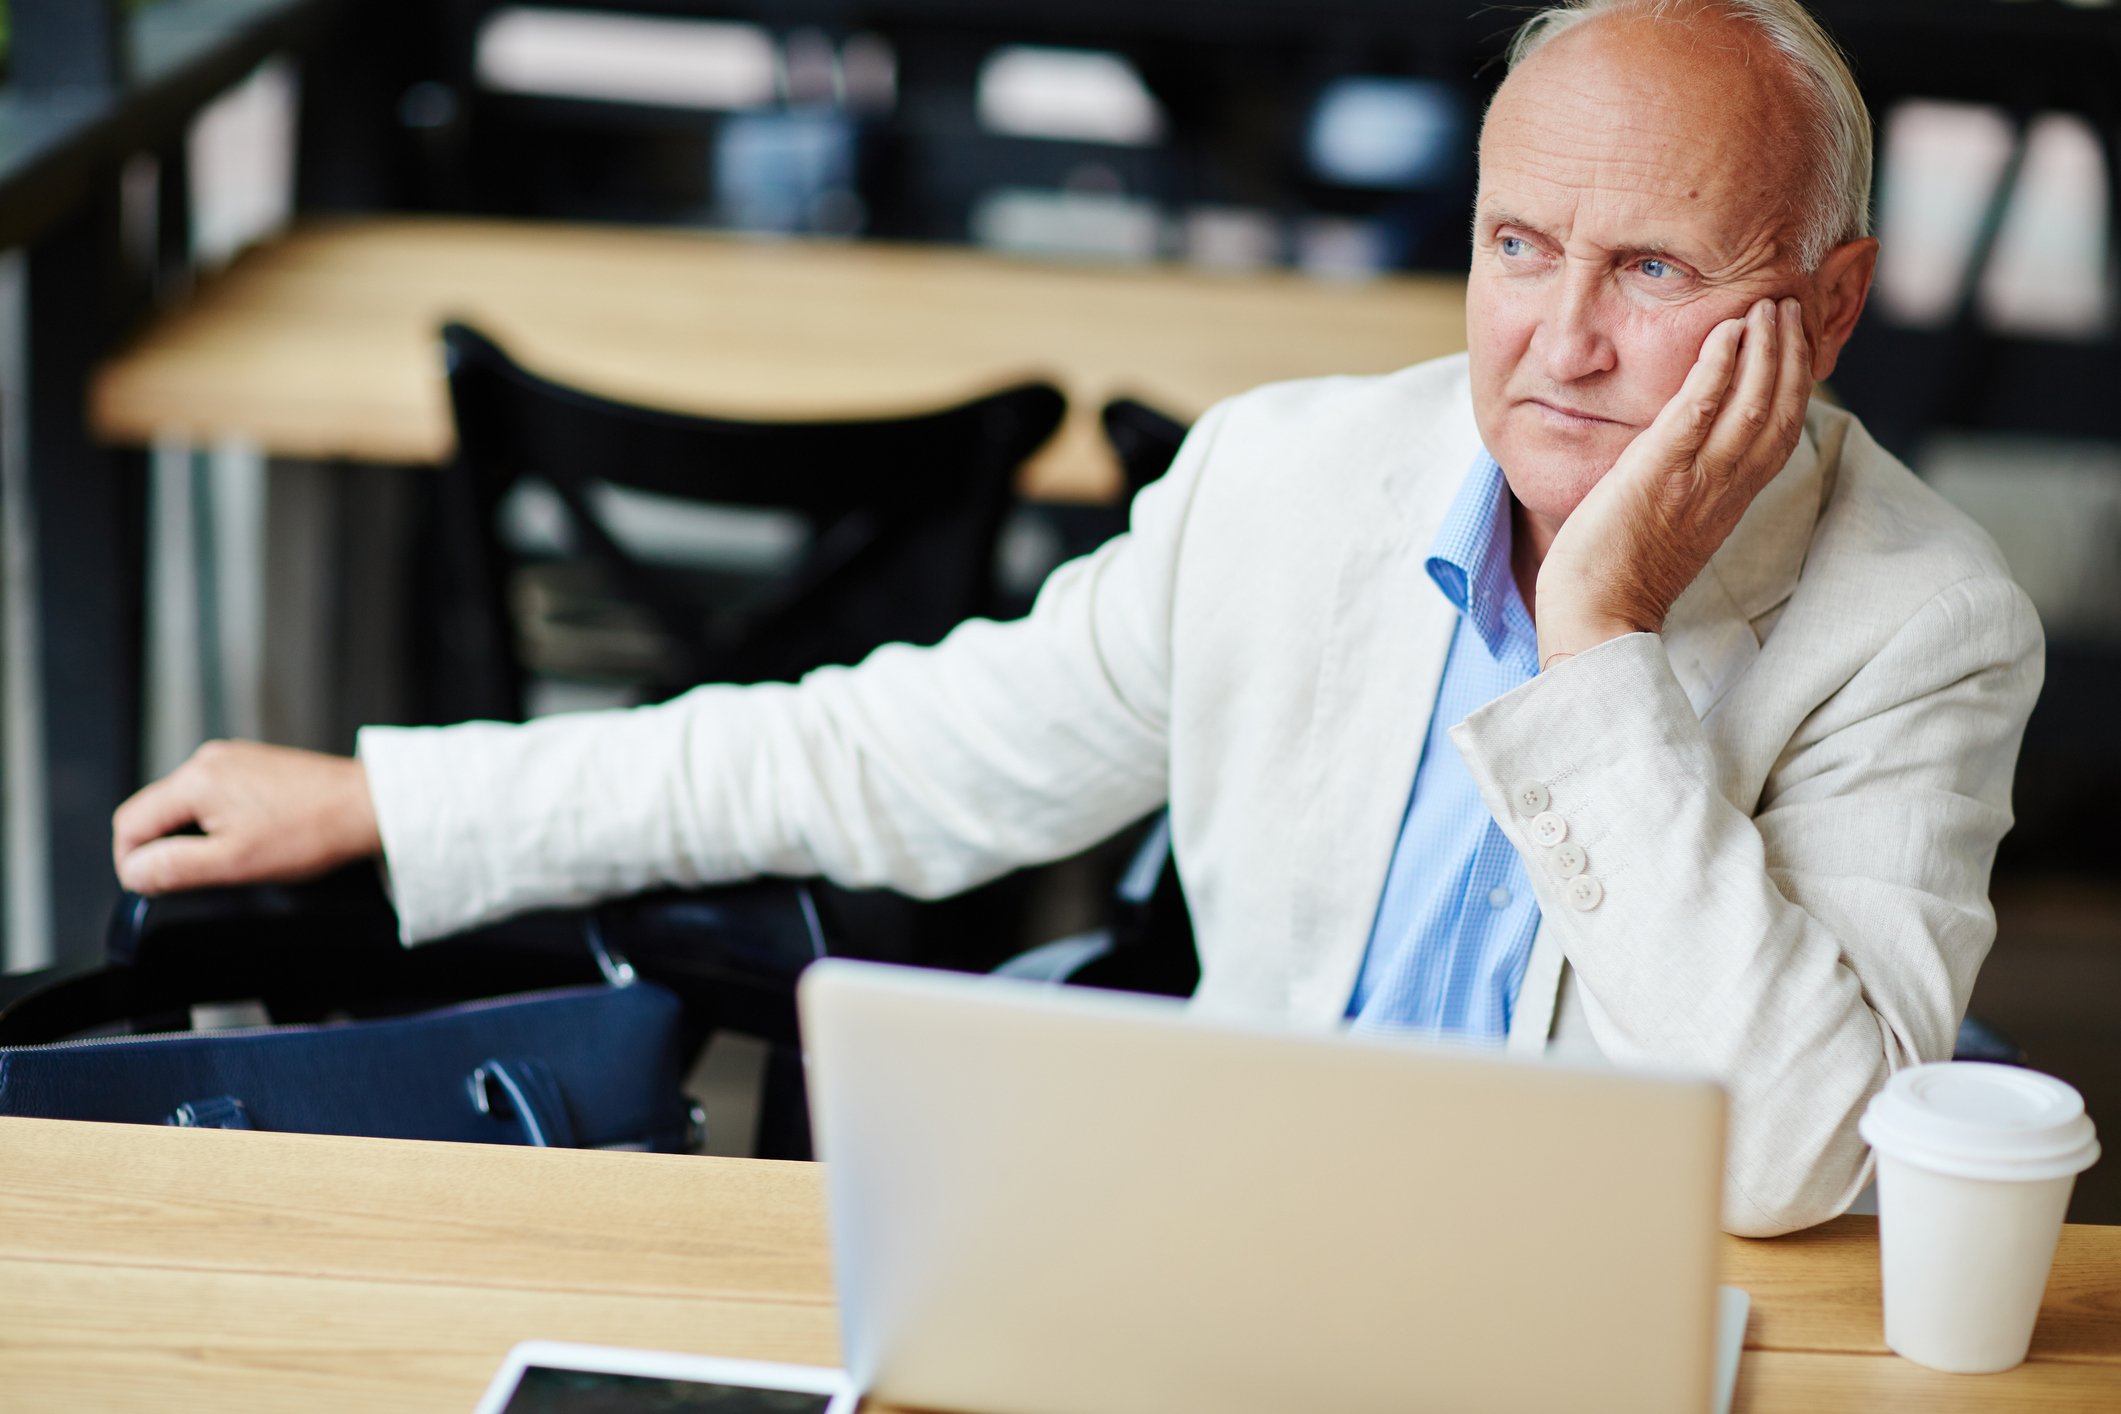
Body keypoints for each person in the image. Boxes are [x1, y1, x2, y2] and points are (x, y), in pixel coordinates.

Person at [111, 0, 2040, 1237]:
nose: (1560, 342)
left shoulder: (1920, 622)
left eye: (1653, 268)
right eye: (1517, 245)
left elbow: (1809, 1153)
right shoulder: (1287, 482)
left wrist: (1604, 634)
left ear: (1829, 303)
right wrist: (394, 801)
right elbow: (892, 757)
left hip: (1606, 1330)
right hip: (1220, 1258)